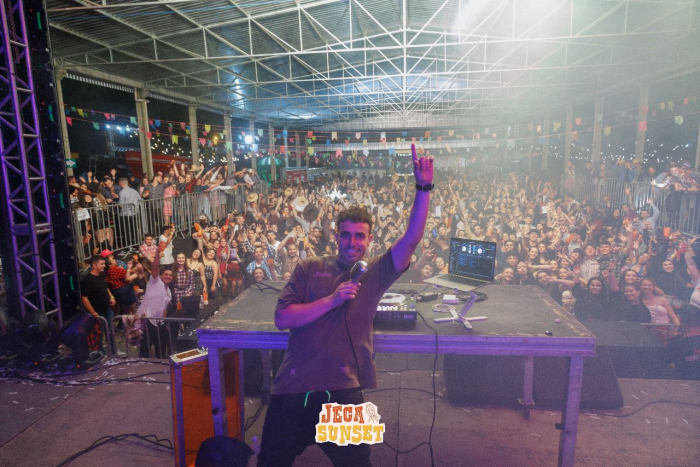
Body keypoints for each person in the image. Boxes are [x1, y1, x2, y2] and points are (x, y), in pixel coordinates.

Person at [257, 145, 433, 467]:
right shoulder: (308, 267)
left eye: (360, 236)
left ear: (369, 240)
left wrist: (423, 188)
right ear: (336, 236)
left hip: (343, 389)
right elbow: (283, 318)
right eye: (346, 235)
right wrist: (332, 300)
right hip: (293, 386)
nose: (352, 242)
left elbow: (411, 238)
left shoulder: (375, 273)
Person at [137, 242, 173, 358]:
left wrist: (164, 320)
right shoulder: (155, 282)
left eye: (170, 275)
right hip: (146, 320)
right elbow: (155, 267)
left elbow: (164, 307)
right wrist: (157, 253)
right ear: (160, 275)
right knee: (145, 349)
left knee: (161, 348)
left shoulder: (168, 291)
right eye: (166, 274)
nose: (168, 276)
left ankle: (160, 365)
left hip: (159, 322)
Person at [80, 255, 117, 353]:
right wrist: (93, 312)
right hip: (98, 312)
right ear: (94, 265)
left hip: (107, 309)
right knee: (99, 333)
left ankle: (113, 351)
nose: (104, 266)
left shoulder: (102, 275)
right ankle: (100, 353)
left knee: (110, 331)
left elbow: (106, 287)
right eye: (102, 264)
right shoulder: (87, 280)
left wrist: (111, 297)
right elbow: (84, 298)